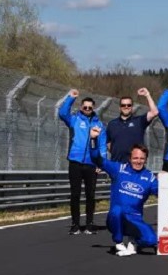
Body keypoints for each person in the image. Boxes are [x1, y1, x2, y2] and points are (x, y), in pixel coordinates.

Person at [88, 126, 158, 257]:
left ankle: (134, 241)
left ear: (146, 159)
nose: (138, 161)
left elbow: (164, 194)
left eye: (142, 158)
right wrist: (93, 139)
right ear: (130, 158)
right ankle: (118, 241)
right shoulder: (118, 169)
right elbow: (96, 158)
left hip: (134, 219)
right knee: (117, 210)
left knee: (151, 240)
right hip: (115, 219)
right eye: (135, 158)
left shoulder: (150, 178)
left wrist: (167, 181)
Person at [58, 89, 107, 235]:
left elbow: (103, 145)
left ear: (93, 108)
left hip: (91, 164)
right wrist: (70, 98)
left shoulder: (99, 124)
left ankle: (90, 224)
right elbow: (62, 114)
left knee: (90, 195)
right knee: (75, 194)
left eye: (89, 107)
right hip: (75, 162)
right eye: (84, 107)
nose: (87, 109)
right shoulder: (74, 120)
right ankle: (75, 224)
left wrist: (101, 163)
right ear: (81, 108)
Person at [106, 88, 159, 163]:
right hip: (116, 164)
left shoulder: (139, 121)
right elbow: (108, 143)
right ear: (119, 108)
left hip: (135, 165)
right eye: (123, 105)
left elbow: (154, 112)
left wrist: (147, 95)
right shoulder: (112, 124)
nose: (126, 107)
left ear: (132, 107)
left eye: (129, 105)